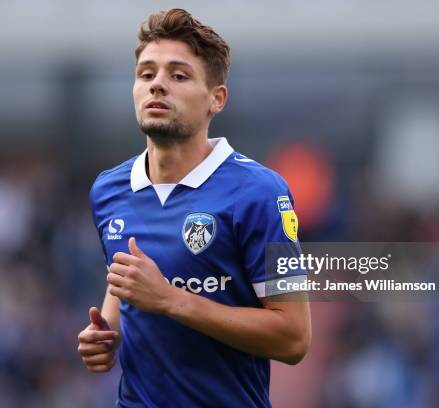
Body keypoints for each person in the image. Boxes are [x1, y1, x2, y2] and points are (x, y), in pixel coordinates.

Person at [77, 8, 311, 407]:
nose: (157, 86)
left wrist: (170, 300)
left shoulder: (261, 193)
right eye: (146, 74)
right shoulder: (109, 189)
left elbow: (293, 338)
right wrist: (107, 332)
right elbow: (124, 279)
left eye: (178, 75)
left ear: (216, 99)